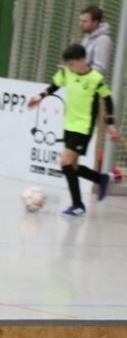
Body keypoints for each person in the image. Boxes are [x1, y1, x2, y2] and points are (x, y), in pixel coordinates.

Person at [28, 44, 120, 216]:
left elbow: (107, 99)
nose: (69, 67)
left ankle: (78, 205)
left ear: (82, 60)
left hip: (83, 128)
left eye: (72, 64)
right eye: (68, 64)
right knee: (73, 166)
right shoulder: (67, 73)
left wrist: (111, 125)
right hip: (69, 125)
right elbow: (54, 86)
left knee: (65, 162)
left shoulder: (95, 79)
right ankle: (101, 179)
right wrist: (39, 97)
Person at [79, 5, 112, 77]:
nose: (81, 24)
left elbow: (100, 69)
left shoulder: (103, 40)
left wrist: (79, 70)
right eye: (80, 20)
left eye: (84, 21)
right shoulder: (87, 37)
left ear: (95, 23)